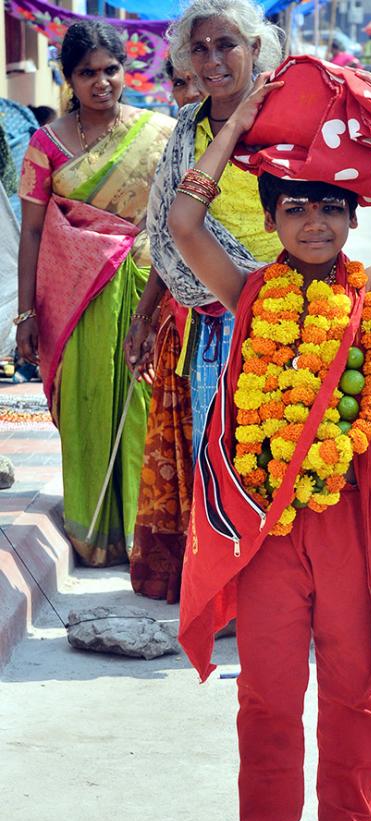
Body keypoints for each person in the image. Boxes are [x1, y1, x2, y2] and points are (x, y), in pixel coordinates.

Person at [168, 58, 371, 821]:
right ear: (272, 220)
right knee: (264, 690)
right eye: (294, 208)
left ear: (349, 218)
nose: (313, 223)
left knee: (352, 682)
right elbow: (187, 223)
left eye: (329, 208)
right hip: (265, 527)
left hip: (349, 520)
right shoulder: (249, 293)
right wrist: (236, 121)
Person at [126, 0, 283, 618]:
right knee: (215, 462)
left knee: (278, 453)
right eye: (201, 49)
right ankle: (229, 599)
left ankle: (282, 598)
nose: (214, 60)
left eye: (227, 45)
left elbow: (322, 218)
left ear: (254, 47)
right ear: (184, 59)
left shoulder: (286, 122)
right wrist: (145, 315)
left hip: (281, 319)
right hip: (209, 329)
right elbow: (169, 235)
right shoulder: (186, 129)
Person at [16, 21, 174, 565]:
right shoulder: (46, 144)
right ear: (69, 78)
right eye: (87, 73)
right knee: (87, 405)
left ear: (126, 70)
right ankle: (94, 534)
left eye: (111, 69)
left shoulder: (160, 133)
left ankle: (145, 534)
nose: (102, 82)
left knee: (145, 408)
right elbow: (33, 231)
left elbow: (179, 216)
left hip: (148, 286)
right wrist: (24, 314)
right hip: (77, 299)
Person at [126, 60, 203, 604]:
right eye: (180, 81)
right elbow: (166, 243)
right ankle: (192, 580)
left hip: (250, 321)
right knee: (186, 452)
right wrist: (146, 314)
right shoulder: (180, 143)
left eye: (201, 76)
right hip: (185, 322)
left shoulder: (256, 140)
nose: (191, 90)